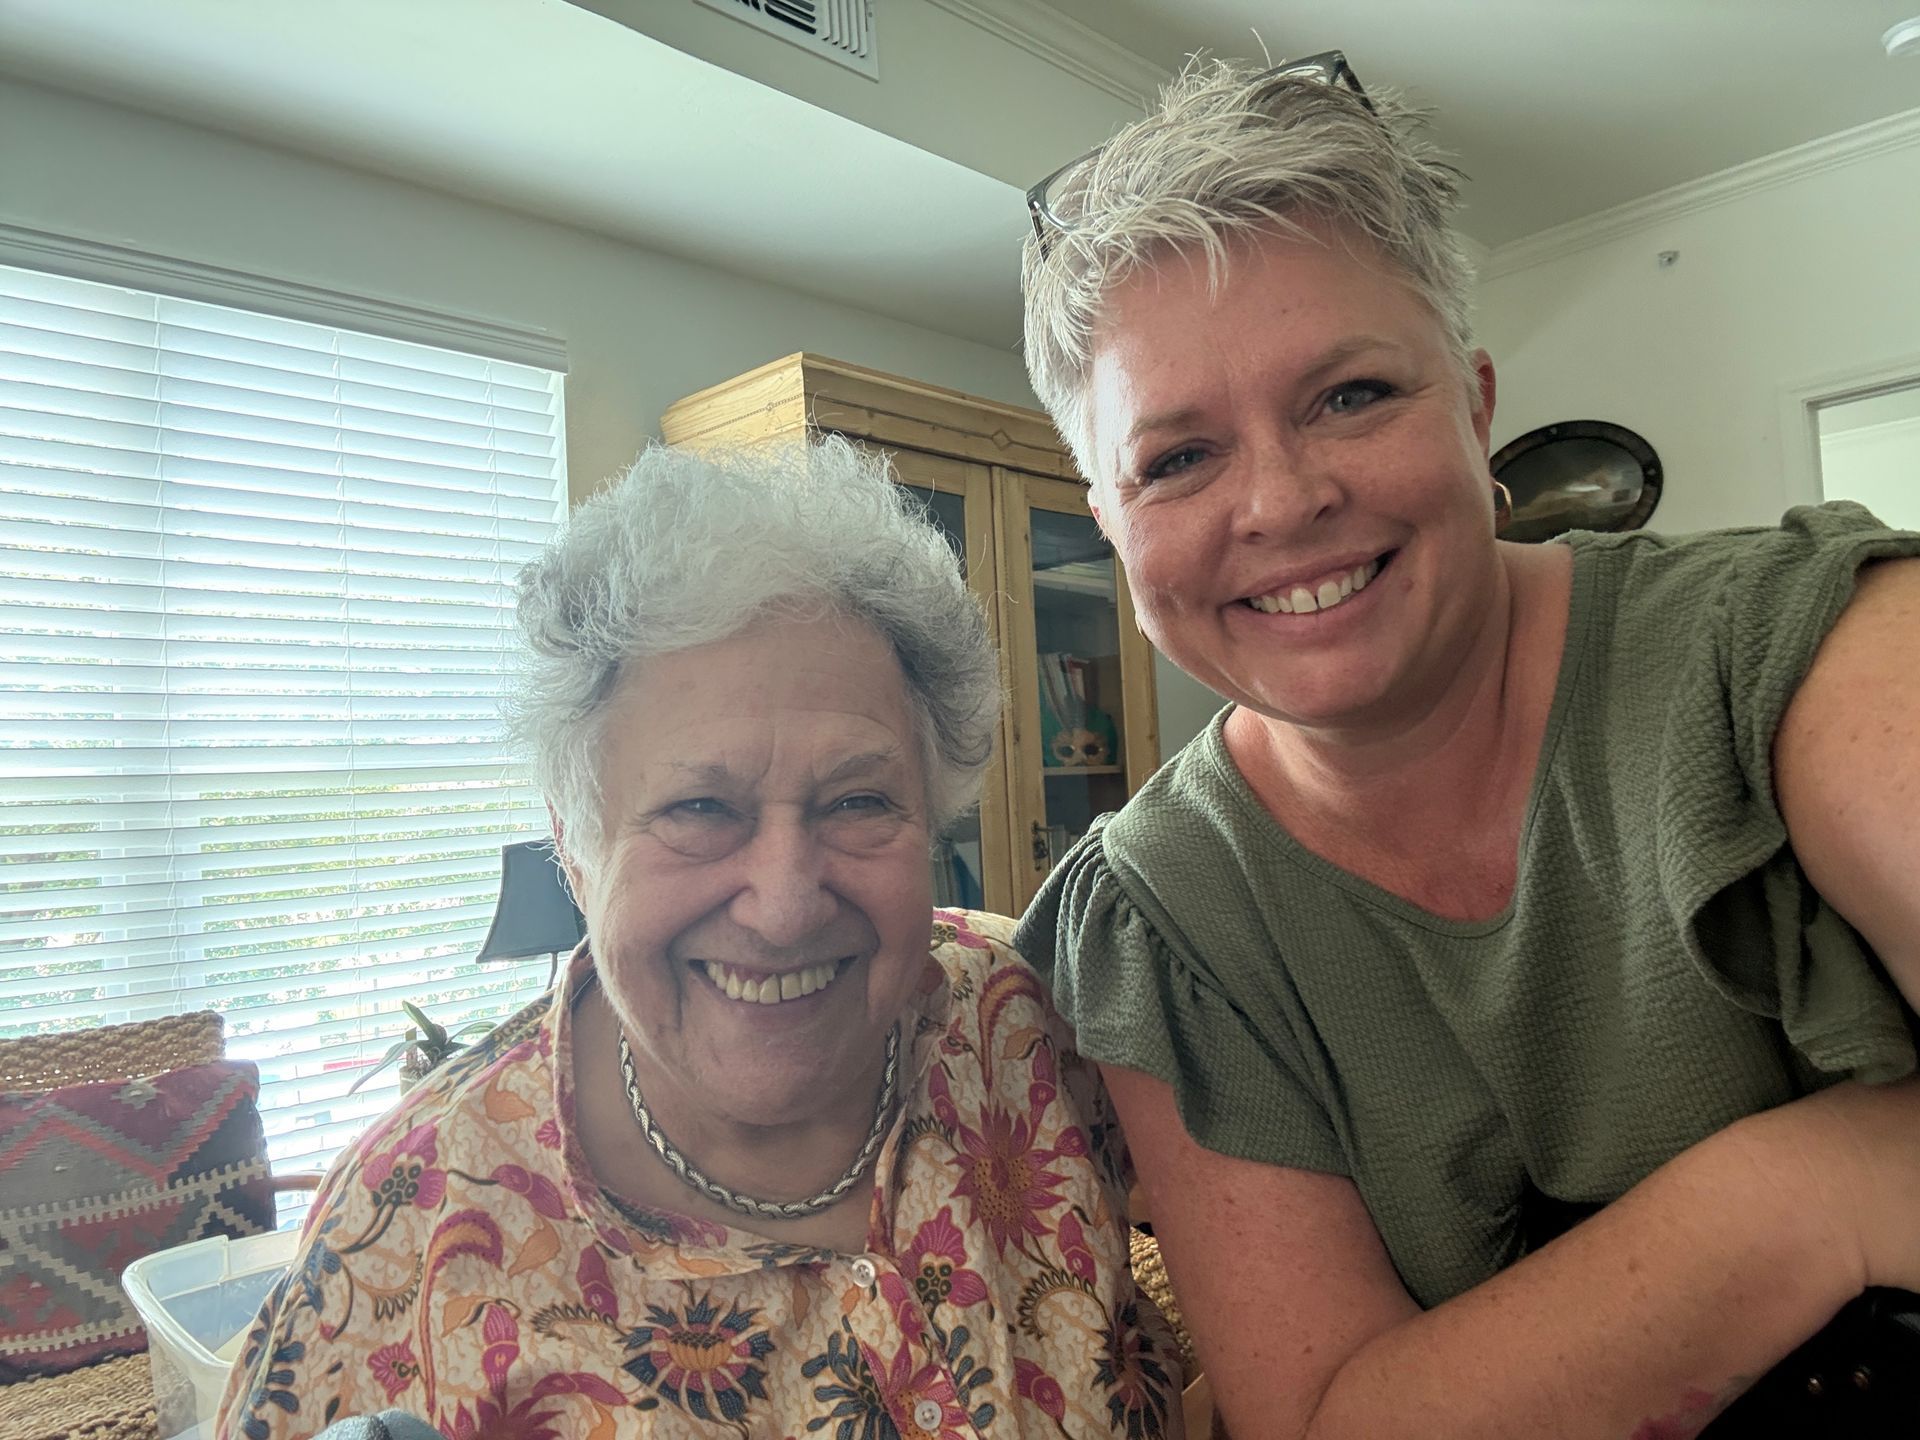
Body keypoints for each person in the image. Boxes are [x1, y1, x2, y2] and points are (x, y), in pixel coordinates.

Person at [1014, 51, 1920, 1440]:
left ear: (1478, 406)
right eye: (1178, 458)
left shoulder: (1799, 651)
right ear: (1110, 520)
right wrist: (1822, 1188)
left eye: (1352, 396)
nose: (1283, 499)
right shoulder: (1163, 917)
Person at [217, 439, 1184, 1440]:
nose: (785, 904)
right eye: (698, 808)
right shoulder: (401, 1241)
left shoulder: (1022, 1026)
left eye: (858, 800)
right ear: (575, 844)